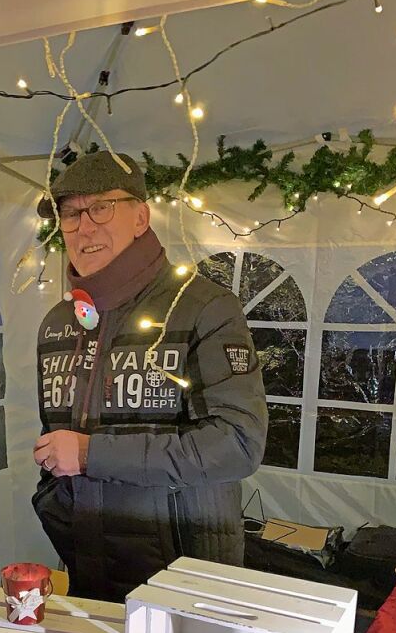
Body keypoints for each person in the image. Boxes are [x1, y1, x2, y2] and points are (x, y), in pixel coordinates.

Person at [32, 151, 268, 602]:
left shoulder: (203, 307)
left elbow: (238, 444)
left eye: (101, 208)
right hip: (91, 570)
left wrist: (89, 455)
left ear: (140, 217)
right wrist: (56, 501)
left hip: (187, 577)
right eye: (70, 214)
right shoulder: (58, 323)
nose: (84, 226)